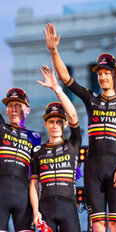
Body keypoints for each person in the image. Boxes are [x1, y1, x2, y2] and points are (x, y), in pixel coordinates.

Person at [44, 23, 116, 232]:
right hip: (93, 169)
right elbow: (66, 78)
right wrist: (53, 50)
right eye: (99, 73)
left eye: (106, 72)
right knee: (98, 226)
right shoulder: (91, 99)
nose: (102, 76)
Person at [30, 65, 82, 231]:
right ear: (45, 124)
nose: (55, 125)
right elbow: (34, 185)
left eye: (59, 121)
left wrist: (57, 88)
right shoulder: (38, 151)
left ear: (65, 123)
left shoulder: (73, 143)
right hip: (45, 210)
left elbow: (73, 115)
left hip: (69, 209)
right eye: (51, 122)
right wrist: (35, 211)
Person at [0, 87, 41, 231]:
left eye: (18, 105)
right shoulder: (1, 128)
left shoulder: (35, 137)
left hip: (24, 197)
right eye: (10, 105)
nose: (14, 109)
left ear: (27, 110)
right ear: (5, 110)